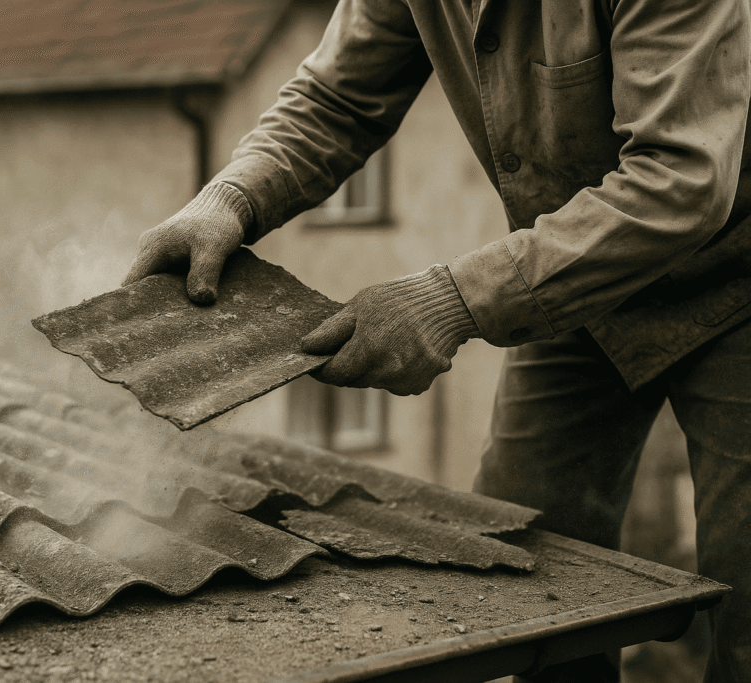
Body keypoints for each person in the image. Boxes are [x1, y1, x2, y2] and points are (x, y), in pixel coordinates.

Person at [122, 1, 751, 681]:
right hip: (576, 280)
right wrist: (229, 198)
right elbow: (335, 96)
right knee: (530, 567)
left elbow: (679, 179)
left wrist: (451, 299)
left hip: (737, 275)